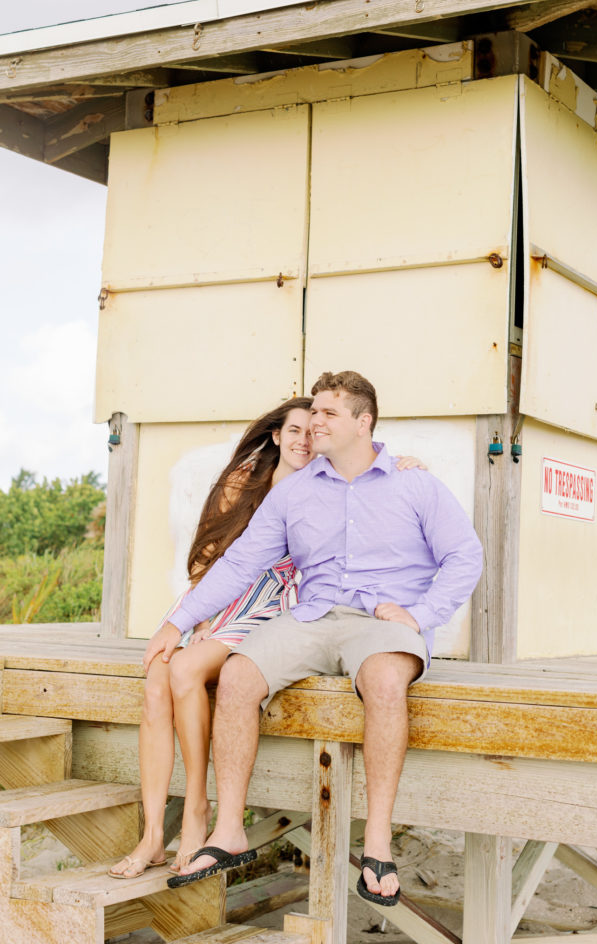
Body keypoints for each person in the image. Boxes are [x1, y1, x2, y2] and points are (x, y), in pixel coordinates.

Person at [144, 371, 482, 905]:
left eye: (327, 413)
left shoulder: (414, 484)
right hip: (312, 616)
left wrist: (421, 616)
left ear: (362, 422)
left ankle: (376, 843)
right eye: (314, 412)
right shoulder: (295, 492)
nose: (314, 423)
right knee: (236, 676)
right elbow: (238, 565)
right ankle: (229, 831)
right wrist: (177, 621)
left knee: (385, 681)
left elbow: (465, 556)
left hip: (382, 622)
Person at [109, 394, 425, 880]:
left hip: (279, 601)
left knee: (187, 670)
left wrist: (407, 464)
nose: (305, 438)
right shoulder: (246, 484)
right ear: (276, 436)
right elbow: (218, 559)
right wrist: (190, 618)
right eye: (294, 430)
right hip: (228, 595)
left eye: (312, 429)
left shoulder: (326, 481)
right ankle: (154, 832)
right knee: (156, 677)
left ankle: (197, 812)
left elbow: (369, 479)